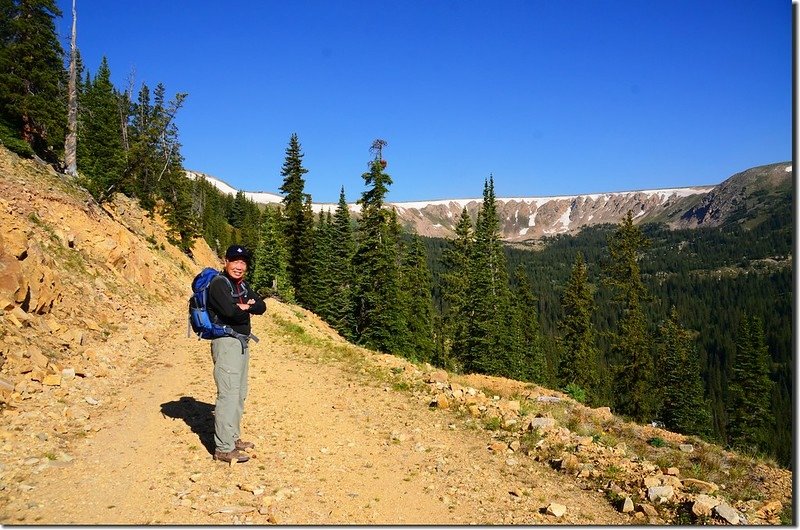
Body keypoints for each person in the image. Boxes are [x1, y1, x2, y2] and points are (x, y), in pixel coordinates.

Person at [206, 244, 266, 463]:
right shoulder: (219, 284)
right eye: (235, 261)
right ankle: (223, 448)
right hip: (227, 343)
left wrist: (246, 307)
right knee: (228, 394)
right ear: (226, 262)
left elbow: (261, 306)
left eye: (243, 263)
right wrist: (244, 309)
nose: (239, 266)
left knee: (239, 393)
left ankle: (232, 438)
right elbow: (231, 313)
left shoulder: (240, 285)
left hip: (241, 344)